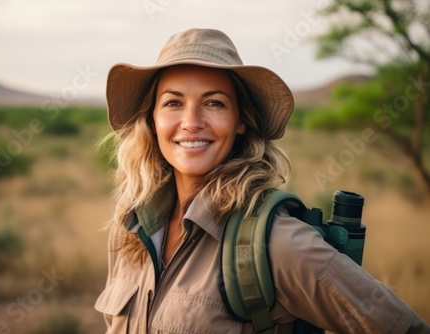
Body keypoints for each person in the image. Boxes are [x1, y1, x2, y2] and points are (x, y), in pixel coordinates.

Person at [94, 28, 430, 333]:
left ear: (241, 121)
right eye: (173, 102)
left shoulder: (277, 243)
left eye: (214, 103)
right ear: (152, 120)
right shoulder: (130, 231)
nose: (191, 122)